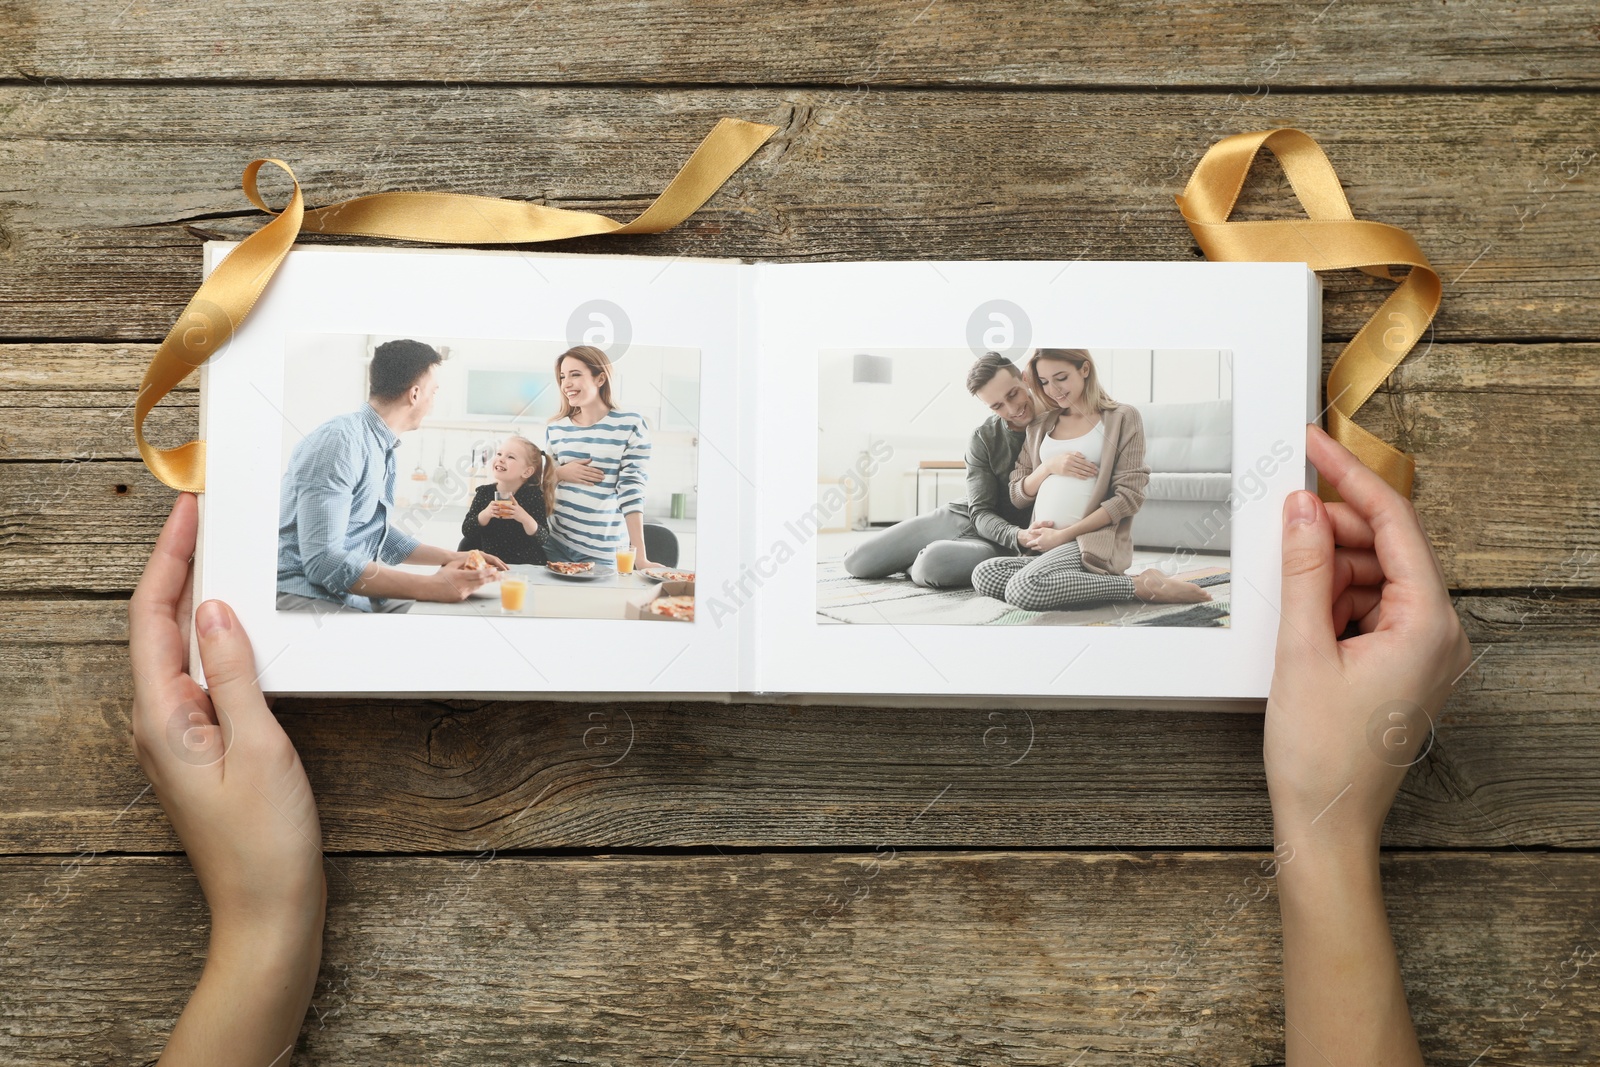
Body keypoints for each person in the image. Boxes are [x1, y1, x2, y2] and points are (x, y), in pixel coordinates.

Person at [127, 424, 1468, 1063]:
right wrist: (1332, 834)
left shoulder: (1110, 451)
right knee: (951, 557)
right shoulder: (1022, 441)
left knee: (1007, 573)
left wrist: (261, 919)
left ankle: (1154, 588)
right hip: (1008, 539)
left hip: (1070, 554)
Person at [971, 347, 1212, 611]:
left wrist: (1063, 535)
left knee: (1024, 590)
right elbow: (1017, 495)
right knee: (984, 574)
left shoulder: (1122, 417)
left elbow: (1128, 498)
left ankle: (1139, 587)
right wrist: (1048, 467)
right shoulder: (1039, 425)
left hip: (1087, 542)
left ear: (1084, 369)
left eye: (1061, 377)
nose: (1053, 389)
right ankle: (1096, 581)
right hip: (1044, 545)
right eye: (1044, 382)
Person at [277, 337, 505, 613]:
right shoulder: (339, 442)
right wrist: (433, 586)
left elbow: (376, 533)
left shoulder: (379, 445)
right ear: (415, 394)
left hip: (348, 594)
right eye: (434, 392)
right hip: (306, 595)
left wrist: (454, 556)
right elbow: (323, 562)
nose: (433, 401)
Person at [842, 352, 1043, 588]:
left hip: (1002, 544)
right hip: (961, 516)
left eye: (1013, 394)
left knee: (931, 565)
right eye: (997, 406)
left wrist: (1018, 537)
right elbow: (980, 513)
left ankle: (916, 560)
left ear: (1025, 379)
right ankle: (917, 557)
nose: (1012, 409)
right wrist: (1017, 535)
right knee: (856, 562)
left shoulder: (1060, 425)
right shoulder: (984, 437)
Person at [542, 345, 655, 570]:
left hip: (604, 551)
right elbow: (540, 482)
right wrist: (560, 473)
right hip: (554, 543)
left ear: (600, 378)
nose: (566, 384)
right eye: (563, 377)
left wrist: (639, 556)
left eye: (575, 375)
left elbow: (632, 489)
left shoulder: (630, 424)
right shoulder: (556, 428)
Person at [458, 434, 557, 566]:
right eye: (499, 454)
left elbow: (543, 538)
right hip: (490, 565)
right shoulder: (483, 493)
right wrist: (485, 514)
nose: (501, 459)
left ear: (527, 472)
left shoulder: (533, 496)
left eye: (510, 457)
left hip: (526, 566)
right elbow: (467, 531)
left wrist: (524, 517)